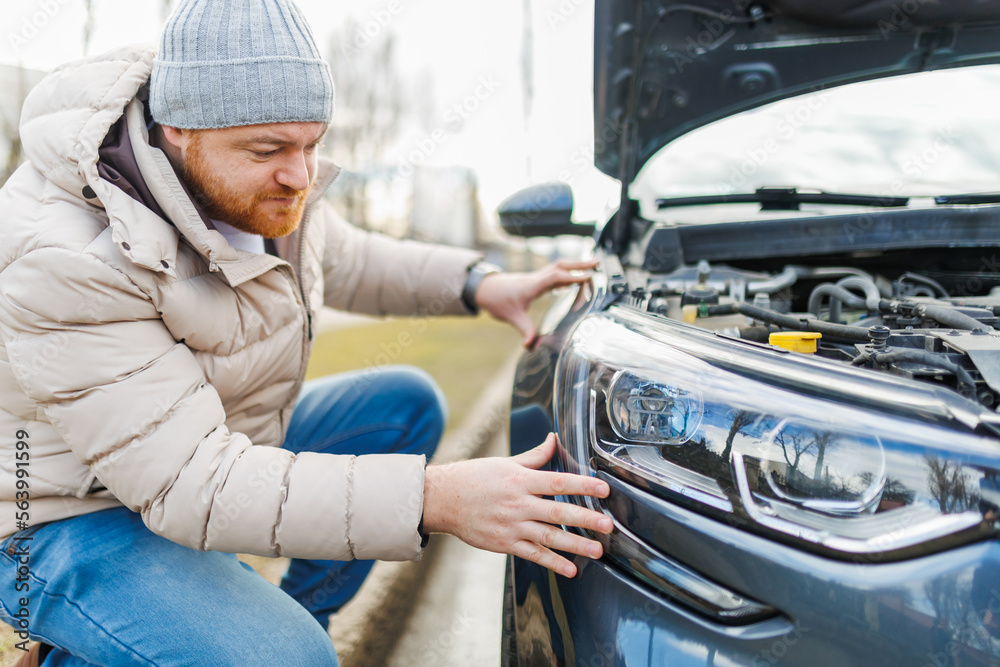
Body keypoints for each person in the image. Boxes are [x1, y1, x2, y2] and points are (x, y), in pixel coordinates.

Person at [0, 0, 612, 664]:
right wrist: (436, 498)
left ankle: (265, 620)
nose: (302, 175)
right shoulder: (64, 256)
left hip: (187, 452)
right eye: (270, 150)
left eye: (312, 144)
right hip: (59, 514)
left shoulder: (250, 185)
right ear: (178, 129)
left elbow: (349, 258)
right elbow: (193, 484)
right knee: (294, 658)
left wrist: (481, 283)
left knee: (402, 406)